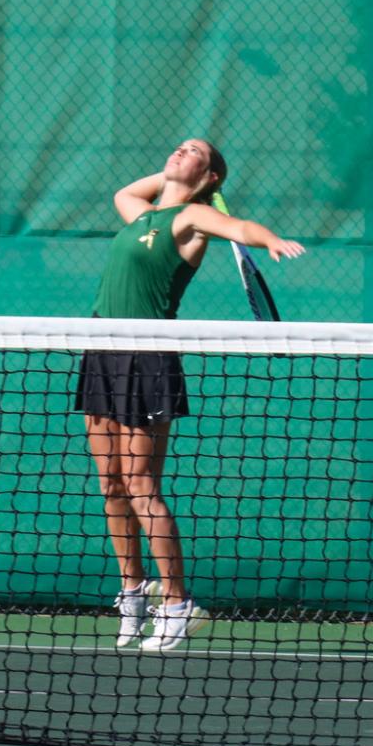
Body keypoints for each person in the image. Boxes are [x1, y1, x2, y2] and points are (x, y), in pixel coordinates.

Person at [79, 138, 304, 651]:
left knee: (140, 484)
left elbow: (240, 229)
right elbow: (126, 191)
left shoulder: (191, 220)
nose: (180, 151)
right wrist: (177, 179)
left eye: (194, 151)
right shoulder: (140, 215)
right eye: (179, 147)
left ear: (211, 177)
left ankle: (178, 604)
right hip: (101, 351)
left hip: (147, 356)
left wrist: (267, 238)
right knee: (110, 484)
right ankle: (133, 594)